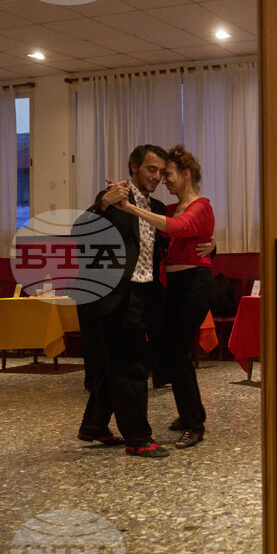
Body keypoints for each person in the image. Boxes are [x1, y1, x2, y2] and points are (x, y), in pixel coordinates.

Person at [114, 145, 214, 449]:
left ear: (186, 174)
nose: (164, 180)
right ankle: (192, 414)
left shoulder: (201, 205)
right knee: (171, 353)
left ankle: (194, 424)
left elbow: (178, 228)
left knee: (177, 353)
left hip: (194, 282)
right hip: (173, 284)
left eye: (168, 174)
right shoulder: (170, 207)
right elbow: (164, 227)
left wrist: (130, 208)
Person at [80, 144, 172, 458]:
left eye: (161, 171)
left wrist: (210, 246)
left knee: (114, 362)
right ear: (133, 167)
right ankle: (138, 438)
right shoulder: (112, 199)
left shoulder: (158, 206)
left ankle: (94, 426)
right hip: (119, 293)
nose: (157, 176)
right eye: (151, 169)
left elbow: (173, 239)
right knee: (132, 366)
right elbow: (81, 234)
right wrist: (101, 207)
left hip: (147, 293)